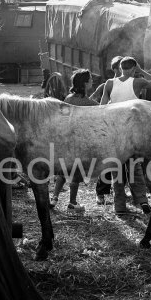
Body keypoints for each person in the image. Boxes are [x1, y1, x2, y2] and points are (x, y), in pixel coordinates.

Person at [101, 56, 151, 215]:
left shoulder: (109, 83)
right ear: (134, 68)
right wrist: (142, 71)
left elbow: (102, 108)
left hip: (115, 133)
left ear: (120, 68)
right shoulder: (138, 82)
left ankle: (120, 206)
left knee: (117, 172)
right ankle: (142, 201)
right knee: (135, 169)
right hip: (132, 133)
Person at [50, 69, 97, 212]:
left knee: (64, 170)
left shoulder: (68, 99)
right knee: (76, 172)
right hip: (80, 142)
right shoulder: (90, 103)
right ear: (85, 83)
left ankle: (54, 197)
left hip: (66, 140)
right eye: (90, 79)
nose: (92, 81)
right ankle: (72, 203)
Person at [90, 56, 124, 204]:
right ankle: (101, 193)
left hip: (123, 127)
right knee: (107, 162)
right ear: (115, 69)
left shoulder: (130, 84)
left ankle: (120, 191)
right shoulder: (107, 85)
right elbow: (91, 101)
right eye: (122, 68)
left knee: (123, 161)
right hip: (108, 127)